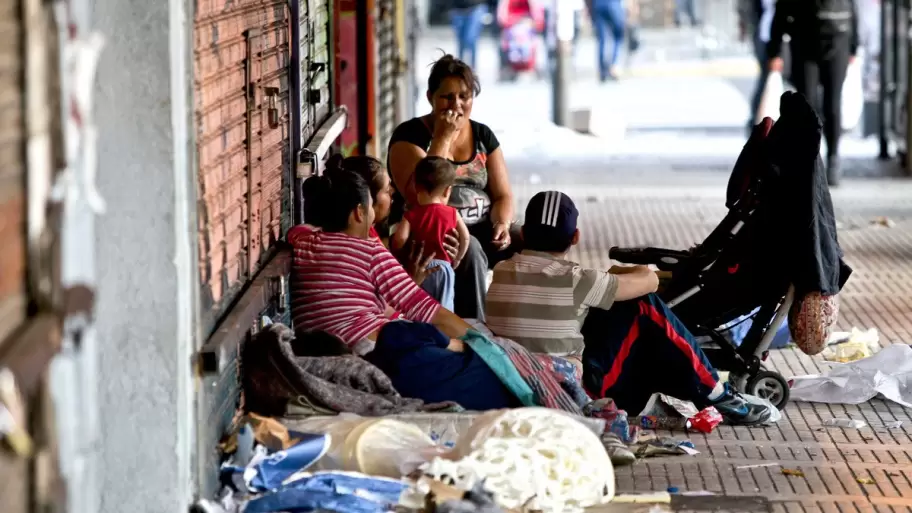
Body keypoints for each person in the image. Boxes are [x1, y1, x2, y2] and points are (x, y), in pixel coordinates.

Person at [485, 191, 774, 425]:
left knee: (604, 311)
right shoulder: (578, 280)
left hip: (510, 383)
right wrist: (619, 271)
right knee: (642, 306)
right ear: (575, 237)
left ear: (523, 233)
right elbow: (648, 282)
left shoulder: (501, 272)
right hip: (568, 393)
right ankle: (717, 394)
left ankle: (700, 389)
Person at [289, 170, 521, 410]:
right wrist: (484, 343)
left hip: (330, 352)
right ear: (359, 213)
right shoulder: (369, 252)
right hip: (375, 355)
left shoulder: (303, 241)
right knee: (483, 360)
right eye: (369, 206)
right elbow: (428, 310)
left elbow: (300, 231)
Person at [387, 55, 520, 321]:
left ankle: (523, 327)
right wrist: (443, 136)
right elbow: (419, 194)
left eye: (464, 96)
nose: (456, 105)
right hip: (428, 233)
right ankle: (474, 330)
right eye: (447, 97)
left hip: (481, 227)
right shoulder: (409, 136)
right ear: (430, 97)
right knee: (468, 249)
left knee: (532, 237)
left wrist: (502, 224)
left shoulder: (483, 136)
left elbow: (503, 194)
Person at [317, 154, 448, 304]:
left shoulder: (368, 234)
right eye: (386, 190)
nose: (393, 192)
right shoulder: (361, 245)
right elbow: (383, 305)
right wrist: (412, 280)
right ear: (367, 200)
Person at [767, 0, 859, 186]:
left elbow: (781, 11)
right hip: (814, 42)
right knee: (810, 105)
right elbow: (782, 11)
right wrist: (775, 49)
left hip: (826, 41)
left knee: (827, 104)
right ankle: (812, 160)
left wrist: (854, 44)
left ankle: (831, 158)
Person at [391, 157, 471, 311]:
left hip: (419, 268)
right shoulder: (452, 213)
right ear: (448, 190)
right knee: (444, 310)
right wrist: (458, 258)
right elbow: (465, 237)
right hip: (444, 268)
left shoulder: (412, 214)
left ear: (415, 186)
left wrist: (398, 252)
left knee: (421, 309)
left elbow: (400, 238)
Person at [738, 0, 776, 130]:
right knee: (766, 76)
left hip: (781, 32)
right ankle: (756, 119)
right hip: (764, 33)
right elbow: (745, 6)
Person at [589, 0, 627, 81]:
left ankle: (602, 70)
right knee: (618, 36)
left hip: (599, 5)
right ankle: (614, 65)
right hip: (613, 4)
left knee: (601, 39)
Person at [450, 0, 489, 69]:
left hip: (475, 8)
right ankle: (460, 67)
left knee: (471, 39)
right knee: (461, 41)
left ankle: (473, 68)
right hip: (457, 9)